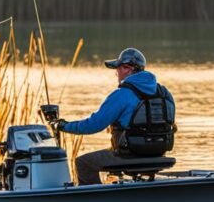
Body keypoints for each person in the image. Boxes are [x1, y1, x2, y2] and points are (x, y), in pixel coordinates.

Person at [43, 48, 176, 186]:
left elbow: (93, 125)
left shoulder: (122, 94)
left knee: (83, 163)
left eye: (118, 68)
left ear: (128, 69)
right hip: (158, 153)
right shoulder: (164, 92)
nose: (116, 73)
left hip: (129, 155)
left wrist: (63, 126)